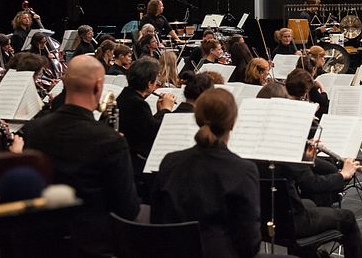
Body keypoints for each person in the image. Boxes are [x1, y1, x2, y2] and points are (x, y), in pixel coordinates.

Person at [23, 56, 140, 256]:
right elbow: (127, 209)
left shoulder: (34, 130)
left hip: (43, 243)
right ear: (97, 86)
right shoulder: (109, 140)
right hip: (93, 245)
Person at [151, 88, 261, 258]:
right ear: (231, 123)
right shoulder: (243, 170)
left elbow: (157, 219)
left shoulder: (170, 161)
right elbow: (249, 243)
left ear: (197, 118)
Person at [116, 57, 176, 175]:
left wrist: (159, 112)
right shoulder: (138, 104)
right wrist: (166, 109)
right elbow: (153, 133)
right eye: (155, 81)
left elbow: (144, 124)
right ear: (149, 84)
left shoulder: (126, 96)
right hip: (134, 165)